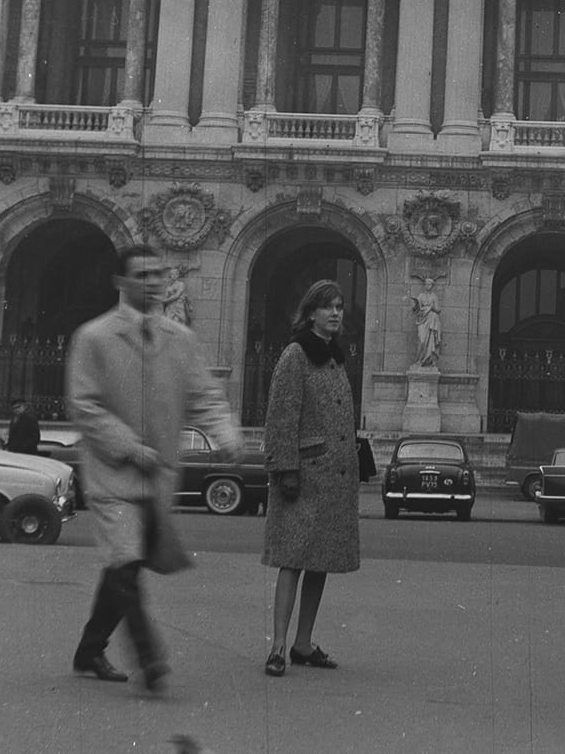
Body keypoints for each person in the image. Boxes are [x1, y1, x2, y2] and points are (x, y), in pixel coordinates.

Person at [66, 243, 242, 691]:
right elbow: (83, 405)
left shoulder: (179, 339)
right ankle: (151, 659)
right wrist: (127, 445)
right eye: (142, 275)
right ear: (121, 282)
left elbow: (203, 394)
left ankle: (89, 650)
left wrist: (224, 434)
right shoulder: (94, 336)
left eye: (158, 274)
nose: (154, 282)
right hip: (112, 470)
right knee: (125, 559)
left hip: (157, 474)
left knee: (124, 564)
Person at [261, 279, 361, 677]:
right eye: (327, 307)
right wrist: (285, 469)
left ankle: (303, 642)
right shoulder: (296, 355)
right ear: (310, 312)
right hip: (304, 475)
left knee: (321, 562)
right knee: (293, 560)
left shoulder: (335, 356)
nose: (335, 313)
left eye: (339, 307)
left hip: (335, 478)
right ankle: (278, 646)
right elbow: (281, 417)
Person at [408, 275, 442, 368]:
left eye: (429, 284)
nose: (427, 286)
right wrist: (415, 305)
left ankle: (427, 361)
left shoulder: (434, 297)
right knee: (422, 340)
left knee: (430, 340)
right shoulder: (421, 296)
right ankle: (418, 360)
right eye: (426, 284)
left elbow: (438, 310)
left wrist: (431, 307)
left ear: (432, 286)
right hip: (422, 319)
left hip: (431, 319)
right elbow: (415, 309)